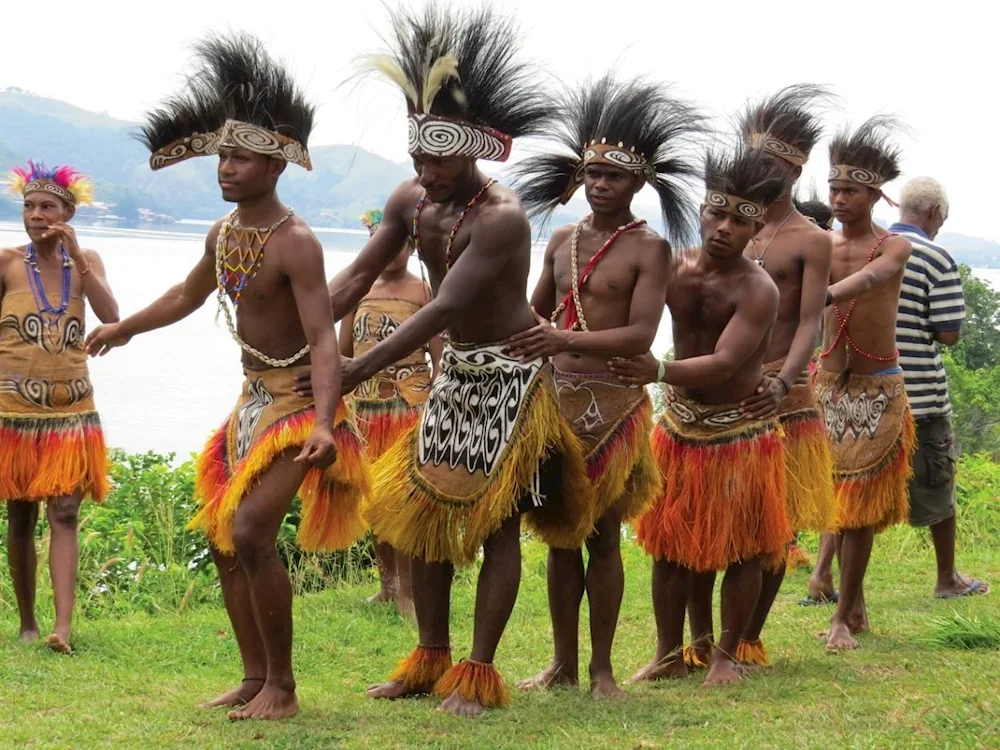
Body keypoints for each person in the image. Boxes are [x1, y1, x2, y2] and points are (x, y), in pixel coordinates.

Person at [311, 4, 593, 717]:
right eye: (417, 158)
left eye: (437, 159)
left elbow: (438, 310)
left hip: (510, 379)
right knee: (421, 511)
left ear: (471, 151)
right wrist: (307, 331)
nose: (424, 172)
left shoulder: (498, 218)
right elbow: (354, 279)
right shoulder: (411, 198)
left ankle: (477, 671)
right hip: (456, 374)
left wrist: (355, 370)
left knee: (495, 522)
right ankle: (427, 657)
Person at [84, 33, 370, 720]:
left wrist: (328, 423)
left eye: (241, 157)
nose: (227, 168)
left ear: (275, 165)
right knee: (225, 539)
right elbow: (186, 296)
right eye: (223, 156)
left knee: (249, 533)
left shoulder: (296, 242)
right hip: (251, 401)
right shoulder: (224, 234)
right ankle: (253, 677)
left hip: (297, 406)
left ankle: (286, 688)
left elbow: (323, 340)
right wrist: (124, 328)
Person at [504, 72, 703, 697]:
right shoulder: (561, 240)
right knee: (561, 539)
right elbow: (534, 312)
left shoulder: (652, 249)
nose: (599, 185)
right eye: (592, 174)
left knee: (604, 540)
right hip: (555, 404)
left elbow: (641, 335)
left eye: (613, 176)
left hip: (614, 409)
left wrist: (563, 340)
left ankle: (602, 670)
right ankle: (563, 664)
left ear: (638, 183)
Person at [609, 142, 790, 686]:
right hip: (679, 426)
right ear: (701, 210)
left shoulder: (759, 289)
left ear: (756, 229)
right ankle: (670, 652)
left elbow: (728, 360)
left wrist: (657, 372)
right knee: (669, 544)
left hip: (739, 428)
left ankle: (726, 655)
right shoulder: (673, 265)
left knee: (743, 547)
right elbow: (623, 304)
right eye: (717, 213)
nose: (724, 228)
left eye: (741, 220)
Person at [713, 85, 836, 668]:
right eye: (756, 160)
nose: (763, 171)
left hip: (779, 395)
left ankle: (742, 642)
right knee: (715, 522)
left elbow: (810, 319)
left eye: (775, 164)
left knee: (769, 527)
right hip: (718, 392)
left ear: (795, 168)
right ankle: (694, 644)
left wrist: (784, 382)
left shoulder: (811, 239)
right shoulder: (730, 224)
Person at [1, 163, 118, 655]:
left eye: (48, 206)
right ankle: (28, 621)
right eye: (29, 206)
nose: (36, 215)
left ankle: (62, 628)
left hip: (72, 408)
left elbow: (113, 317)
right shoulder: (6, 262)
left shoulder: (84, 259)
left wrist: (77, 258)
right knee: (21, 515)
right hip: (13, 411)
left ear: (70, 212)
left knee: (66, 511)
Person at [816, 116, 916, 650]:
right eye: (833, 188)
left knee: (860, 506)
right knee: (836, 500)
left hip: (878, 386)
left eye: (849, 190)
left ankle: (842, 615)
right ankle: (849, 604)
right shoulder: (821, 245)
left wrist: (824, 296)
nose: (837, 198)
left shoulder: (894, 247)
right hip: (828, 384)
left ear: (874, 195)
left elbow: (873, 279)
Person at [341, 209, 443, 616]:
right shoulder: (358, 289)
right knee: (373, 498)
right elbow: (343, 349)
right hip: (365, 408)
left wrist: (437, 396)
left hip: (408, 408)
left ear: (413, 244)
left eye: (401, 243)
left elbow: (439, 355)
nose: (391, 251)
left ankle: (408, 594)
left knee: (401, 500)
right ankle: (387, 585)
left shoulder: (424, 292)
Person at [893, 179, 986, 597]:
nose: (940, 228)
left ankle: (828, 579)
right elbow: (948, 332)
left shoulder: (862, 248)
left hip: (861, 395)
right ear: (931, 212)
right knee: (937, 480)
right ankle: (947, 577)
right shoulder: (934, 257)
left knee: (855, 490)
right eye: (942, 220)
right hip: (919, 395)